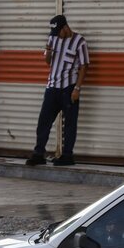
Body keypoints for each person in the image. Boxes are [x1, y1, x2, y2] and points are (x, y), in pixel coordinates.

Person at [25, 14, 90, 167]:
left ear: (65, 28)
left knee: (70, 123)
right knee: (44, 121)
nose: (57, 36)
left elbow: (84, 66)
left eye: (59, 32)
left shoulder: (79, 41)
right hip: (52, 87)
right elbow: (48, 62)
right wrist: (48, 50)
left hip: (69, 87)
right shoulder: (53, 38)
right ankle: (39, 153)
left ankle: (67, 156)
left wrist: (77, 88)